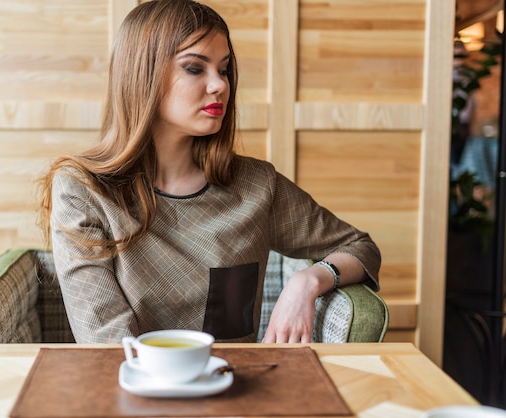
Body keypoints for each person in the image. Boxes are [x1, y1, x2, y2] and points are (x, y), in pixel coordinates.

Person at [38, 0, 380, 344]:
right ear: (143, 75)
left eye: (224, 68)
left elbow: (359, 247)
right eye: (195, 68)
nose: (220, 85)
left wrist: (308, 281)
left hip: (236, 387)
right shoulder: (83, 190)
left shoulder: (257, 185)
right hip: (131, 387)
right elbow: (106, 341)